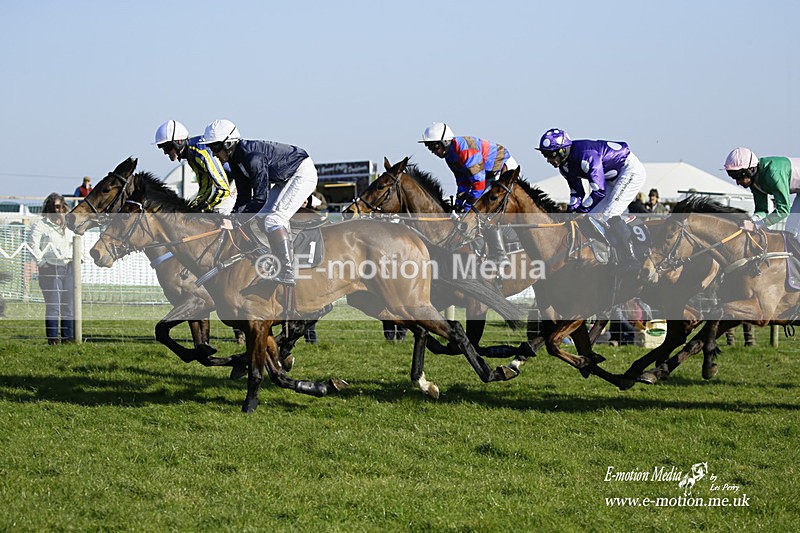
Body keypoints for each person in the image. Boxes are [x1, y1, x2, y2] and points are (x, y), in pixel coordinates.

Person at [200, 119, 318, 285]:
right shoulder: (235, 160)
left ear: (228, 144)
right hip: (285, 178)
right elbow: (244, 197)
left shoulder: (252, 158)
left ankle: (287, 270)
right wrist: (232, 217)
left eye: (215, 147)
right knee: (260, 218)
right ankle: (271, 259)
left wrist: (236, 221)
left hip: (302, 172)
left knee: (274, 219)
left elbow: (260, 198)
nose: (213, 153)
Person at [536, 128, 647, 270]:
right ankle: (606, 255)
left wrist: (580, 210)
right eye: (545, 155)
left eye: (550, 155)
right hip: (610, 179)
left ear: (562, 151)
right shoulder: (564, 167)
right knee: (591, 218)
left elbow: (599, 191)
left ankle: (630, 258)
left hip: (629, 171)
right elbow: (577, 193)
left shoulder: (586, 156)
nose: (548, 160)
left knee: (610, 214)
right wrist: (571, 212)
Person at [418, 122, 519, 261]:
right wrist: (459, 203)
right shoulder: (450, 156)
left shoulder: (465, 151)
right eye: (429, 147)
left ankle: (500, 255)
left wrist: (467, 207)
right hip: (486, 175)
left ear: (446, 142)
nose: (433, 151)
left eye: (434, 146)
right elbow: (463, 181)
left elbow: (478, 184)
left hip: (502, 169)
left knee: (483, 211)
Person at [154, 120, 232, 213]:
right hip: (228, 183)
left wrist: (204, 208)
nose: (165, 152)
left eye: (167, 147)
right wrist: (194, 207)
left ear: (178, 142)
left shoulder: (200, 152)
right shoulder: (191, 154)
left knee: (217, 213)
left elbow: (224, 189)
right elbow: (205, 185)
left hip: (234, 183)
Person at [724, 147, 800, 240]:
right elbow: (762, 210)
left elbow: (783, 210)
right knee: (790, 231)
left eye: (739, 176)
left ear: (751, 170)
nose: (738, 182)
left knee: (793, 231)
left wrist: (756, 225)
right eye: (733, 177)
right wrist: (752, 220)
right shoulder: (754, 181)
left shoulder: (773, 174)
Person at [28, 193, 75, 344]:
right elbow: (32, 245)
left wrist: (78, 259)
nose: (59, 210)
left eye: (62, 206)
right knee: (54, 306)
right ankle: (53, 339)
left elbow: (76, 242)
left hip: (68, 268)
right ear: (50, 208)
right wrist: (41, 263)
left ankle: (68, 338)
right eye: (56, 207)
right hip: (50, 268)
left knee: (69, 306)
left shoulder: (69, 225)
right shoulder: (40, 225)